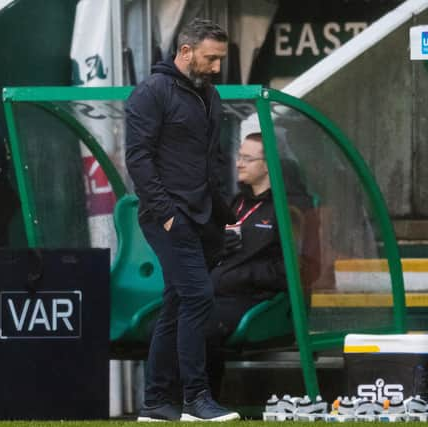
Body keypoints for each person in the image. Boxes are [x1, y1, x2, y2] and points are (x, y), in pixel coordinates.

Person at [125, 18, 239, 422]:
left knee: (177, 304)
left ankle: (156, 402)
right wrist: (169, 215)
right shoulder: (151, 92)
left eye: (219, 59)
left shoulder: (210, 94)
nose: (215, 67)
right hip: (169, 217)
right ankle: (195, 398)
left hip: (205, 217)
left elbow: (213, 162)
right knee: (197, 298)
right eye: (210, 58)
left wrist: (226, 217)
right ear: (185, 51)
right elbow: (138, 160)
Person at [204, 133, 318, 398]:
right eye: (239, 156)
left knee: (200, 327)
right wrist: (218, 249)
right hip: (218, 294)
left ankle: (203, 402)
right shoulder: (236, 202)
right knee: (168, 323)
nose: (239, 164)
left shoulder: (289, 208)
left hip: (258, 301)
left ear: (267, 165)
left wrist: (241, 275)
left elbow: (297, 268)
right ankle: (168, 403)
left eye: (247, 158)